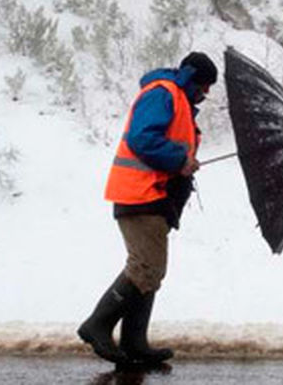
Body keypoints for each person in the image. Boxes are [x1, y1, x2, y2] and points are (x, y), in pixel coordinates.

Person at [77, 51, 218, 366]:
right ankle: (97, 324)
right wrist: (180, 160)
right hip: (139, 194)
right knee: (147, 268)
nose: (206, 92)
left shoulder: (178, 100)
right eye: (204, 85)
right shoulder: (162, 93)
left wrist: (184, 163)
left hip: (153, 196)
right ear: (190, 76)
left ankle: (134, 343)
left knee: (149, 271)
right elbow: (142, 139)